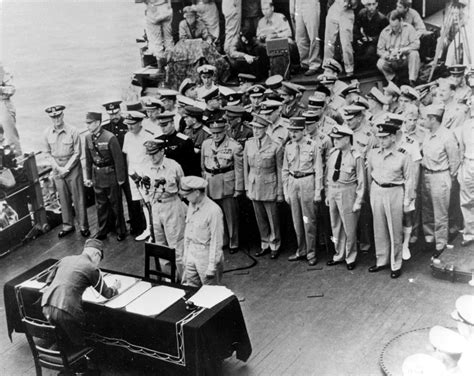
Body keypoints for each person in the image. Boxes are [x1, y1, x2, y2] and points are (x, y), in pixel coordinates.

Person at [41, 239, 120, 346]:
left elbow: (49, 281)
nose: (98, 263)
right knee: (79, 343)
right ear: (97, 254)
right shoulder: (91, 267)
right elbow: (107, 293)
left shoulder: (66, 259)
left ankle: (59, 354)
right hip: (67, 311)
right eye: (99, 259)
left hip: (47, 305)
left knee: (62, 339)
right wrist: (115, 287)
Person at [367, 121, 413, 279]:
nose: (381, 141)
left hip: (394, 191)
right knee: (378, 228)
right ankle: (381, 260)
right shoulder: (373, 153)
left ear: (393, 137)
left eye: (385, 137)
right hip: (377, 189)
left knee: (395, 229)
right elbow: (369, 173)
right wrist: (369, 193)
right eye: (379, 137)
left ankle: (396, 263)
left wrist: (407, 201)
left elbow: (409, 179)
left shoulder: (403, 154)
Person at [143, 140, 187, 279]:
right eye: (149, 155)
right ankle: (169, 277)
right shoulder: (146, 167)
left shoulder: (174, 166)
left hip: (172, 204)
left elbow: (183, 187)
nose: (152, 157)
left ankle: (184, 278)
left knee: (176, 244)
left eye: (154, 154)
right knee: (160, 244)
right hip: (155, 206)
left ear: (162, 151)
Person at [421, 104, 461, 258]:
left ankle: (440, 244)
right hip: (426, 174)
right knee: (428, 211)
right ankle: (430, 239)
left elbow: (454, 161)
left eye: (426, 118)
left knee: (440, 213)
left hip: (440, 175)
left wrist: (448, 179)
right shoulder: (427, 134)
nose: (423, 121)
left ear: (433, 119)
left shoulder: (447, 136)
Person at [43, 105, 89, 238]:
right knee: (63, 198)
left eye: (58, 116)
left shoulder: (73, 131)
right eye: (53, 117)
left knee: (78, 197)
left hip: (72, 167)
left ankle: (83, 226)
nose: (56, 119)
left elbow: (77, 152)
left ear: (62, 115)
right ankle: (68, 225)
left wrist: (66, 168)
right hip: (57, 167)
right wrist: (58, 168)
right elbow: (47, 153)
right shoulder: (47, 133)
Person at [282, 117, 322, 266]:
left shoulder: (313, 145)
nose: (293, 134)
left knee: (308, 219)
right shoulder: (289, 146)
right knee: (296, 219)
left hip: (307, 181)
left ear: (303, 130)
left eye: (296, 131)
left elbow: (318, 169)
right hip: (293, 182)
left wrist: (318, 191)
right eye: (291, 131)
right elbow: (285, 170)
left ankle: (311, 252)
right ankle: (301, 249)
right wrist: (286, 191)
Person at [325, 124, 365, 270]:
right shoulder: (333, 154)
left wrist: (358, 201)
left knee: (349, 227)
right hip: (334, 191)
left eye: (338, 139)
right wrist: (328, 194)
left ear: (347, 139)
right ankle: (339, 254)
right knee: (335, 225)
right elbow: (328, 176)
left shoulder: (356, 156)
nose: (335, 141)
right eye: (333, 138)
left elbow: (361, 181)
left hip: (348, 191)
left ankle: (351, 257)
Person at [201, 119, 244, 254]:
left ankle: (233, 241)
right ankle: (222, 240)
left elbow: (239, 169)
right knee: (215, 215)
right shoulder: (206, 144)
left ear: (224, 131)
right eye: (213, 133)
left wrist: (238, 188)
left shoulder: (234, 146)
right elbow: (203, 165)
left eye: (218, 133)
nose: (216, 136)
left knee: (230, 216)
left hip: (226, 183)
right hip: (210, 182)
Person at [243, 114, 283, 259]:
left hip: (269, 184)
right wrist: (247, 187)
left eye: (259, 128)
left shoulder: (275, 145)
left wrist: (280, 191)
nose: (256, 131)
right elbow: (245, 167)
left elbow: (279, 169)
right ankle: (264, 243)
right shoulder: (249, 144)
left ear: (266, 128)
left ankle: (275, 244)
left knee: (272, 217)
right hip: (254, 184)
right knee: (260, 218)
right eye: (254, 127)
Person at [102, 100, 144, 237]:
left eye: (116, 113)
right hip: (111, 168)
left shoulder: (126, 126)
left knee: (132, 197)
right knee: (114, 199)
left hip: (126, 166)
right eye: (110, 113)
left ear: (119, 111)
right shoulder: (106, 128)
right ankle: (116, 225)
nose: (113, 116)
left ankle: (136, 224)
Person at [84, 112, 127, 241]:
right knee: (101, 205)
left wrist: (120, 179)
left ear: (97, 123)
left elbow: (118, 160)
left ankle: (121, 230)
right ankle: (103, 230)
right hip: (97, 175)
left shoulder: (110, 137)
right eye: (87, 123)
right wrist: (89, 178)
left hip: (110, 175)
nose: (87, 126)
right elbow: (88, 160)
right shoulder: (87, 138)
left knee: (116, 204)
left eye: (90, 123)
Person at [181, 176, 224, 287]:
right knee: (191, 289)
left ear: (196, 192)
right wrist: (186, 255)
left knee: (210, 292)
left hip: (206, 254)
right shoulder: (192, 204)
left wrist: (212, 265)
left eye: (187, 194)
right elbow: (188, 232)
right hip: (192, 252)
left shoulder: (213, 211)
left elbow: (216, 240)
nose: (185, 197)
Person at [122, 111, 154, 242]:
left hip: (145, 172)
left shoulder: (148, 136)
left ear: (140, 122)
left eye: (133, 124)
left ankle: (153, 231)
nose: (130, 127)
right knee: (142, 203)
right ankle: (148, 229)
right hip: (133, 172)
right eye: (128, 124)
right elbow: (128, 156)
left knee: (149, 202)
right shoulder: (127, 136)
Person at [376, 10, 420, 87]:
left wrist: (402, 50)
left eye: (396, 26)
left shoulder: (409, 28)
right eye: (391, 26)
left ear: (401, 21)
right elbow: (379, 50)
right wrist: (387, 56)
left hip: (404, 59)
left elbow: (416, 45)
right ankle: (393, 80)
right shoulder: (384, 32)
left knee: (414, 54)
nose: (394, 28)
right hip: (392, 61)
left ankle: (412, 81)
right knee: (380, 63)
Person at [155, 111, 198, 176]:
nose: (163, 128)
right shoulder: (158, 140)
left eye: (165, 125)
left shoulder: (184, 140)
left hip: (180, 175)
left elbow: (191, 165)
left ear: (172, 123)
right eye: (161, 126)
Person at [323, 0, 358, 76]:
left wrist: (350, 3)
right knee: (329, 41)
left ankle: (349, 68)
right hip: (334, 8)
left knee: (346, 42)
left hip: (346, 10)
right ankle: (328, 68)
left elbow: (354, 3)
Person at [455, 119, 474, 247]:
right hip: (469, 163)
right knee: (467, 200)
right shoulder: (466, 125)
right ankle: (469, 234)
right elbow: (461, 146)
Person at [290, 0, 321, 76]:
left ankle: (314, 64)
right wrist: (292, 7)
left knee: (313, 35)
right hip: (298, 4)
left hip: (310, 3)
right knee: (300, 37)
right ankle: (305, 63)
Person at [354, 0, 388, 69]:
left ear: (377, 4)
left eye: (373, 4)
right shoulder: (362, 13)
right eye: (369, 4)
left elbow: (385, 36)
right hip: (364, 39)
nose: (371, 7)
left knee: (368, 54)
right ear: (365, 5)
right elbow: (356, 27)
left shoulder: (382, 18)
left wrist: (371, 39)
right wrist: (358, 39)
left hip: (376, 43)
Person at [143, 0, 173, 70]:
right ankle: (171, 65)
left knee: (156, 42)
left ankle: (161, 68)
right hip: (166, 8)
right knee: (169, 39)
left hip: (153, 10)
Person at [0, 64, 21, 155]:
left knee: (11, 140)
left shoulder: (2, 71)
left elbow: (11, 89)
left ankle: (19, 165)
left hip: (3, 104)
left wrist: (0, 89)